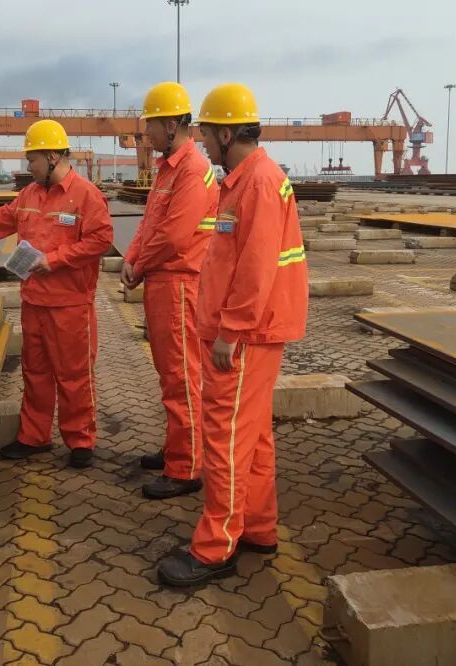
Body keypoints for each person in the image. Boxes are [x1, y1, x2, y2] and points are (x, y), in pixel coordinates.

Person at [157, 83, 308, 587]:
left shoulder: (258, 183)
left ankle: (214, 547)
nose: (201, 144)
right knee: (254, 436)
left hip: (244, 336)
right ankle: (258, 529)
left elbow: (256, 267)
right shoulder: (246, 180)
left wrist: (231, 332)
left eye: (205, 135)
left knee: (223, 439)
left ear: (226, 134)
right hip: (253, 332)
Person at [0, 119, 113, 469]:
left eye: (33, 159)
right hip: (34, 301)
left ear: (53, 156)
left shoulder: (86, 195)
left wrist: (53, 260)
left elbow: (100, 240)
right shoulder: (29, 195)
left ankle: (80, 440)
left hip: (70, 305)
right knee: (35, 372)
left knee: (74, 376)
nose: (29, 166)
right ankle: (34, 436)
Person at [122, 81, 219, 500]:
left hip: (180, 284)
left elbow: (175, 235)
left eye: (151, 124)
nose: (146, 133)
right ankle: (177, 447)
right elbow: (149, 225)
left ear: (172, 125)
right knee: (170, 374)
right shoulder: (167, 169)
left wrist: (139, 265)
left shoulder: (192, 170)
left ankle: (185, 467)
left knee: (181, 376)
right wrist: (132, 258)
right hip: (163, 282)